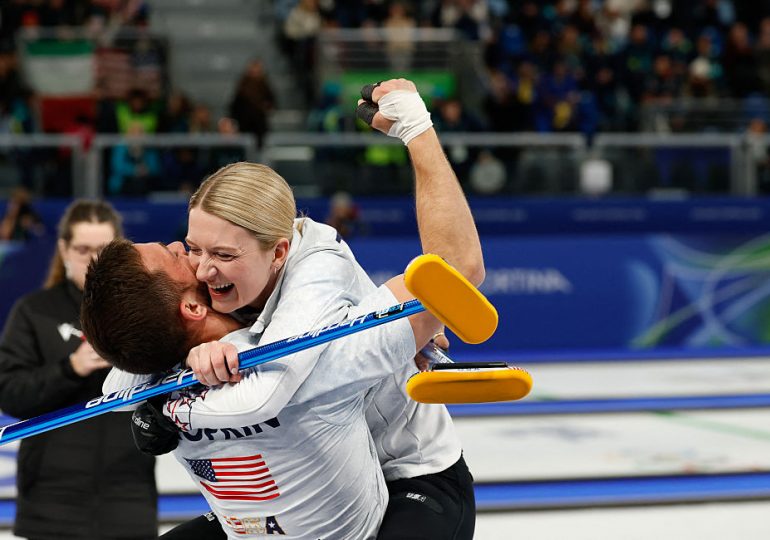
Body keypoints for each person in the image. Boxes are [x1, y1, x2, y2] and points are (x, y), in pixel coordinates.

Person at [83, 78, 482, 539]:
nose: (203, 269)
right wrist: (161, 387)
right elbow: (130, 354)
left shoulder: (316, 272)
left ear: (278, 252)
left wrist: (416, 128)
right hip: (307, 487)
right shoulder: (207, 291)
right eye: (191, 248)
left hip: (405, 469)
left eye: (224, 255)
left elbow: (456, 272)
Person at [0, 199, 158, 540]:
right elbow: (9, 394)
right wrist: (71, 368)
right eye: (83, 249)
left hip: (129, 499)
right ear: (64, 250)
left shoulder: (147, 313)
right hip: (50, 505)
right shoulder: (34, 311)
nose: (93, 259)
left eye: (103, 250)